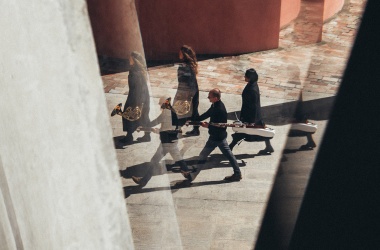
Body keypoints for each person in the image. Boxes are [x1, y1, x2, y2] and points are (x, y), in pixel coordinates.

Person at [181, 88, 242, 183]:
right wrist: (194, 120)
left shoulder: (220, 109)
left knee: (203, 155)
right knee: (228, 155)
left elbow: (221, 127)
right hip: (218, 136)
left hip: (216, 137)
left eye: (210, 97)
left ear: (216, 98)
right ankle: (237, 173)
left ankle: (192, 176)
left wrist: (208, 126)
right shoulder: (215, 105)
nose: (208, 98)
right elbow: (207, 114)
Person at [131, 97, 191, 187]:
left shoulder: (166, 113)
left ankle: (143, 181)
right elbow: (168, 127)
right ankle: (189, 177)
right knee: (179, 159)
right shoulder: (174, 111)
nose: (159, 105)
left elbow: (156, 122)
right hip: (172, 141)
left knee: (154, 161)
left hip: (166, 143)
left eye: (160, 103)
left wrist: (143, 127)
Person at [229, 68, 274, 154]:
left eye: (246, 76)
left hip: (250, 116)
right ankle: (269, 146)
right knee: (259, 132)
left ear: (250, 77)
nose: (244, 77)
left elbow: (253, 106)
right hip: (252, 115)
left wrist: (251, 121)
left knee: (242, 132)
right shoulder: (252, 84)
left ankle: (229, 148)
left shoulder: (252, 89)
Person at [121, 51, 151, 144]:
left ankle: (129, 137)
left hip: (136, 96)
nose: (129, 59)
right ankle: (147, 135)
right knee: (144, 115)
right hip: (144, 96)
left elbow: (137, 87)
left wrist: (137, 101)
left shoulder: (134, 71)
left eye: (130, 58)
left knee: (128, 114)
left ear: (134, 60)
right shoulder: (141, 70)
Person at [172, 45, 200, 136]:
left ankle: (178, 129)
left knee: (178, 108)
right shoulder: (191, 64)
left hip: (186, 91)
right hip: (193, 90)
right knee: (194, 110)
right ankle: (195, 129)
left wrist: (184, 94)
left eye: (180, 53)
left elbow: (185, 81)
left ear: (184, 54)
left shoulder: (184, 66)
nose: (178, 54)